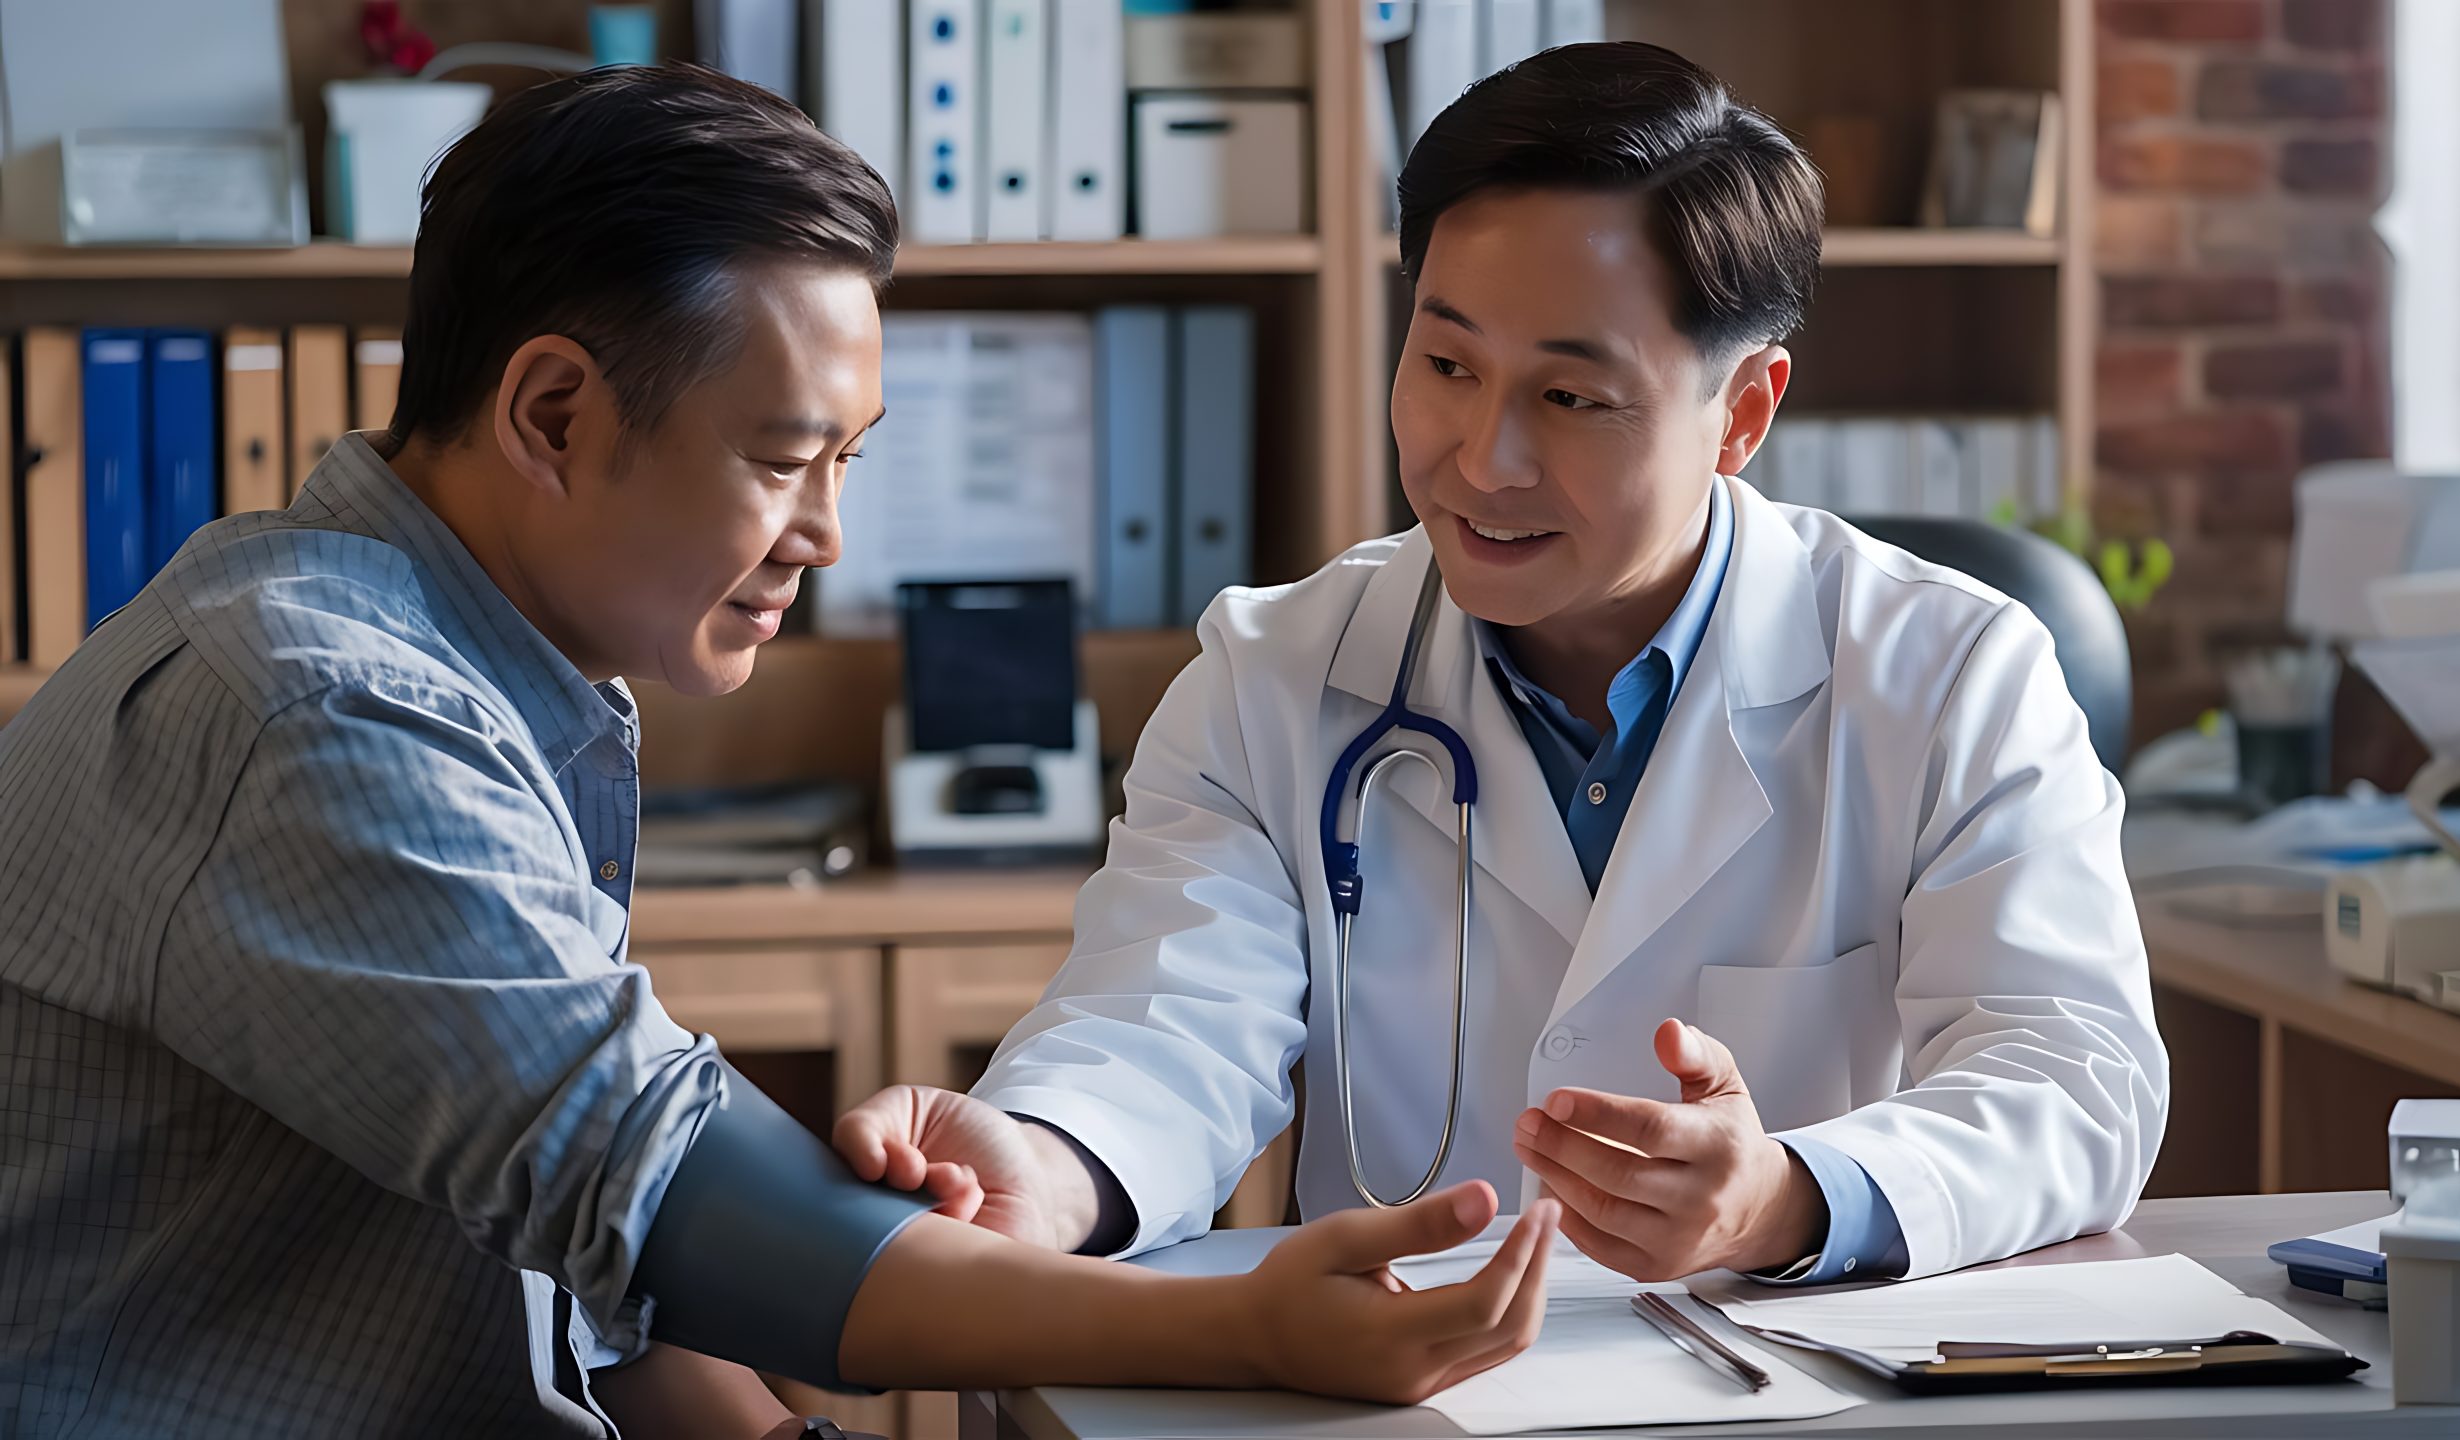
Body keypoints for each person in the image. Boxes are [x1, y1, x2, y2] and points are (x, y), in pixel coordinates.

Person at [0, 65, 1559, 1440]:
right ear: (551, 412)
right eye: (782, 458)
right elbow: (658, 1189)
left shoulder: (475, 664)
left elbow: (573, 1283)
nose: (824, 534)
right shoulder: (315, 703)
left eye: (848, 462)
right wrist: (1248, 1326)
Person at [838, 42, 2170, 1288]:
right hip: (1411, 1394)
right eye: (1447, 363)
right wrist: (1050, 1165)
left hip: (1796, 1385)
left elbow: (2072, 1070)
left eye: (1570, 397)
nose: (1484, 460)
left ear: (1744, 413)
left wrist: (1790, 1195)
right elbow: (1161, 1028)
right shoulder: (1274, 677)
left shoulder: (1950, 672)